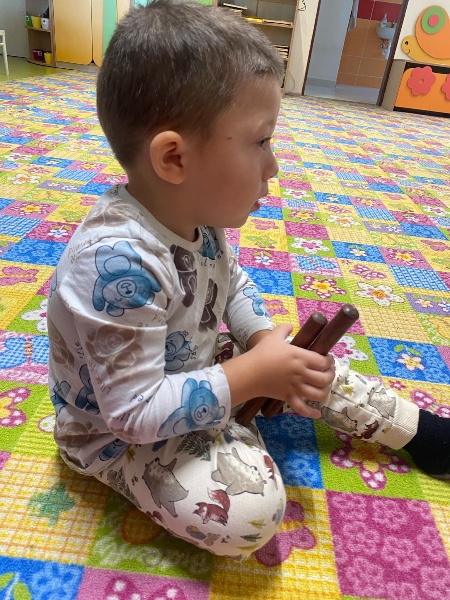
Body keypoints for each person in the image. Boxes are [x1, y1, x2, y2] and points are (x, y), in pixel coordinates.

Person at [47, 0, 449, 561]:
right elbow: (133, 412)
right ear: (174, 158)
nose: (274, 166)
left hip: (192, 370)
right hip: (116, 435)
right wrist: (251, 377)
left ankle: (419, 431)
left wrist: (261, 343)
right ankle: (233, 429)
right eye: (262, 142)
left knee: (304, 361)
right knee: (251, 509)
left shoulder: (198, 217)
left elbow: (231, 285)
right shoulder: (115, 263)